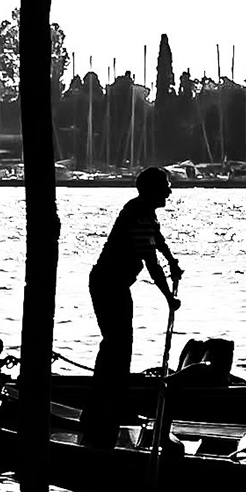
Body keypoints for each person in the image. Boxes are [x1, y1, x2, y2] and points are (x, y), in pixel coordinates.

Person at [85, 167, 183, 450]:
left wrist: (173, 261)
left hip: (117, 285)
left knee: (119, 345)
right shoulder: (138, 214)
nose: (169, 191)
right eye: (166, 186)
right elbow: (150, 261)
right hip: (108, 284)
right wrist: (168, 297)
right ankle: (104, 404)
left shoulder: (146, 213)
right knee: (116, 345)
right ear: (152, 190)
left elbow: (158, 240)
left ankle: (109, 401)